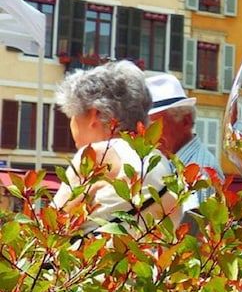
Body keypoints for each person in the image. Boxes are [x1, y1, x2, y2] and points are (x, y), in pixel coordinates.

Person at [52, 61, 180, 235]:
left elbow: (50, 227)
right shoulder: (161, 160)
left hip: (102, 252)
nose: (71, 125)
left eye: (72, 115)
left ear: (95, 114)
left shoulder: (96, 155)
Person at [147, 73, 223, 203]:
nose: (149, 134)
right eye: (147, 127)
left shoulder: (202, 172)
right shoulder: (161, 161)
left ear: (185, 121)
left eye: (156, 126)